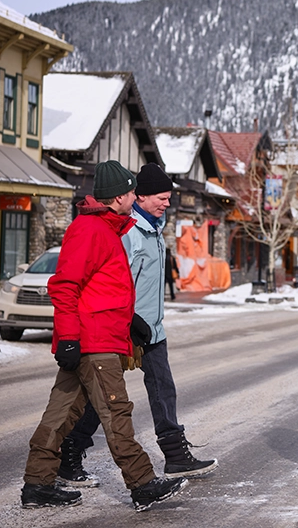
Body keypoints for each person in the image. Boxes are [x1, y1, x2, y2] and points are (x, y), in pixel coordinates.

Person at [22, 160, 186, 511]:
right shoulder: (90, 230)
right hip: (92, 345)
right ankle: (142, 484)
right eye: (131, 191)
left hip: (95, 338)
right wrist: (68, 338)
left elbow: (100, 292)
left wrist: (129, 322)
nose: (134, 196)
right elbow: (65, 286)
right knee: (116, 413)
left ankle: (37, 484)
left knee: (59, 416)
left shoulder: (107, 229)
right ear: (118, 197)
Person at [58, 164, 217, 488]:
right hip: (123, 328)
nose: (167, 203)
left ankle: (174, 455)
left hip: (151, 331)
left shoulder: (154, 229)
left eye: (169, 197)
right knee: (99, 396)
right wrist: (126, 322)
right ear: (140, 196)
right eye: (162, 197)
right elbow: (113, 282)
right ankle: (69, 454)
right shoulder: (128, 233)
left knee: (162, 388)